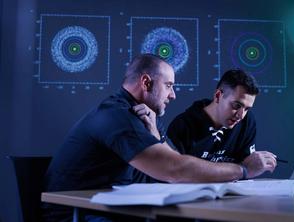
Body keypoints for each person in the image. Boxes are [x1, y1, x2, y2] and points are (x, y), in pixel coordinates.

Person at [43, 55, 276, 222]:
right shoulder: (118, 116)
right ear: (146, 83)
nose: (173, 95)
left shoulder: (146, 115)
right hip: (78, 214)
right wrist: (243, 170)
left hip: (114, 208)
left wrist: (156, 135)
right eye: (169, 86)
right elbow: (176, 170)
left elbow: (172, 162)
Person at [167, 69, 277, 178]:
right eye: (236, 106)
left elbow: (245, 171)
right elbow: (176, 174)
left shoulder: (247, 122)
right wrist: (242, 169)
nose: (241, 115)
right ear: (218, 96)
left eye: (247, 109)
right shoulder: (182, 127)